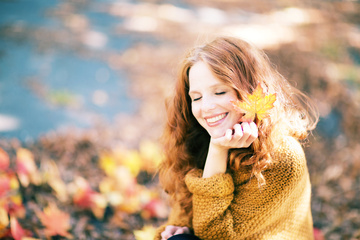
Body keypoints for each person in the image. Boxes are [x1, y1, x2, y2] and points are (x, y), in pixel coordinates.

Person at [154, 36, 319, 240]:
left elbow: (216, 234)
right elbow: (185, 210)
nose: (206, 107)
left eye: (220, 92)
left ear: (251, 91)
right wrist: (176, 227)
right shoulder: (198, 139)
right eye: (196, 97)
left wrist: (217, 151)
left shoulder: (283, 157)